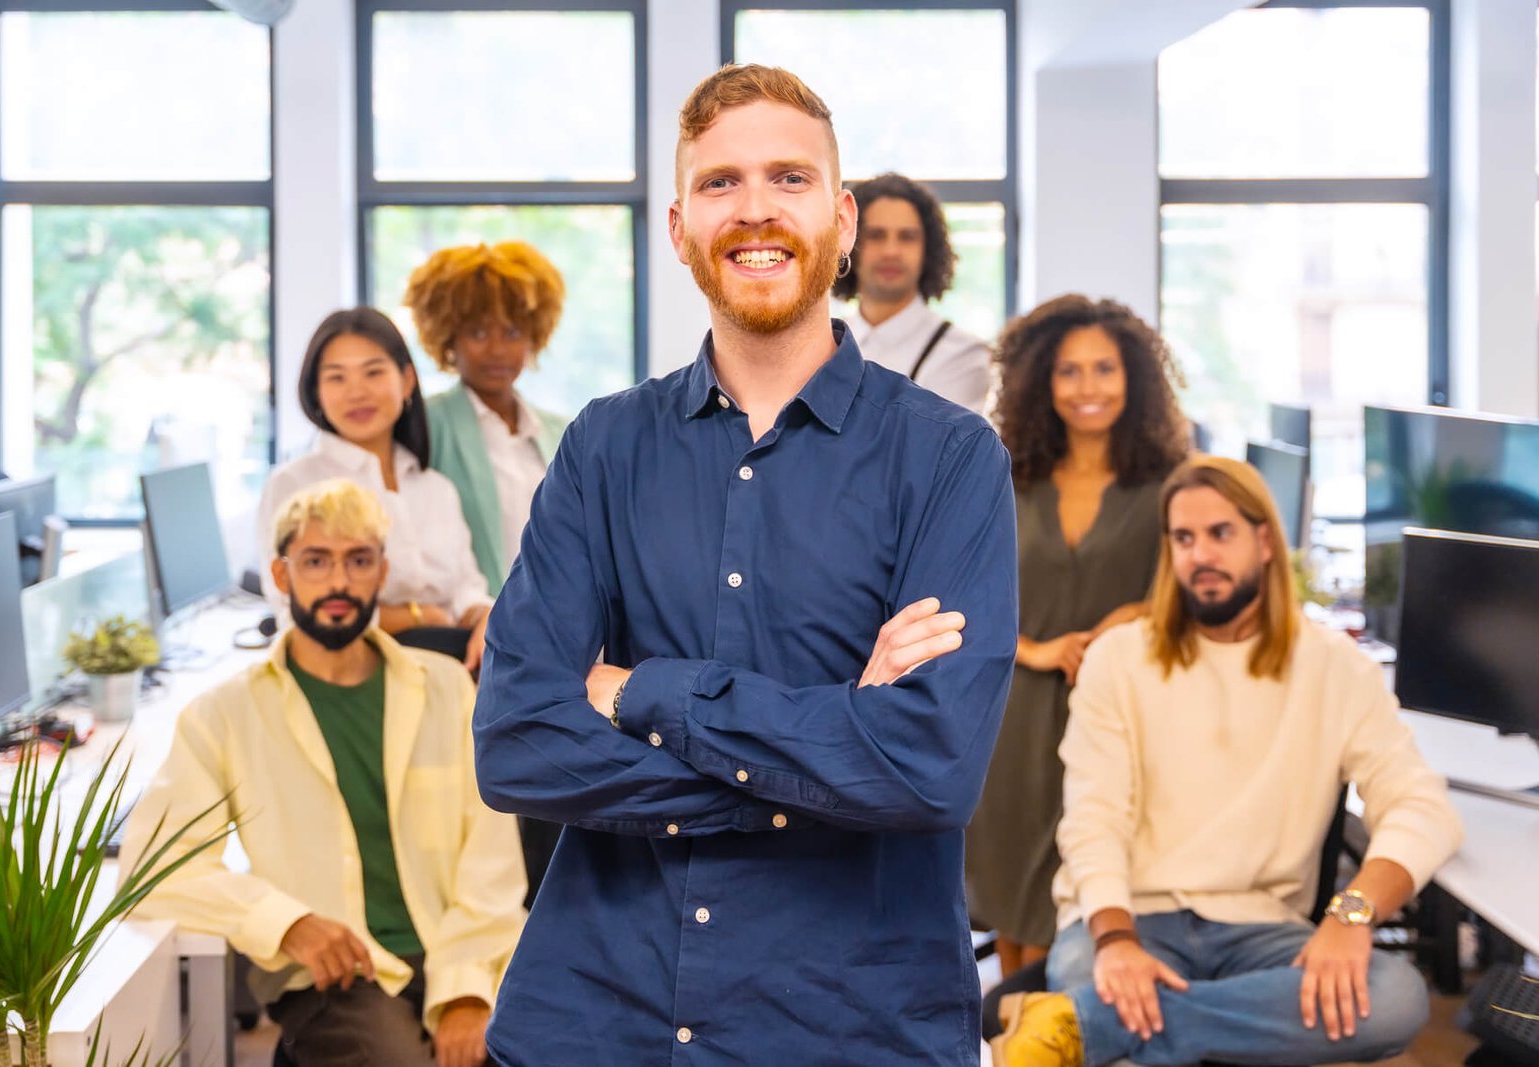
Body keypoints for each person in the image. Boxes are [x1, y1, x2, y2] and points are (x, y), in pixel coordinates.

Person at [471, 64, 1018, 1065]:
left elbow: (931, 767)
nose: (754, 209)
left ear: (842, 220)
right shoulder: (603, 447)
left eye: (789, 179)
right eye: (720, 183)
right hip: (594, 1017)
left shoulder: (949, 456)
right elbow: (516, 741)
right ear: (679, 229)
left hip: (852, 1024)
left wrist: (646, 691)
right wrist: (827, 761)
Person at [992, 455, 1464, 1067]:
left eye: (1221, 534)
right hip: (1130, 914)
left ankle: (1080, 1029)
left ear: (1265, 540)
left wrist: (1352, 915)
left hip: (1261, 927)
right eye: (1183, 538)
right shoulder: (1118, 659)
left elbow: (1420, 806)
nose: (1200, 556)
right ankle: (1169, 1020)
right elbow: (1093, 820)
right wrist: (1115, 938)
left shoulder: (1334, 666)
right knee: (1093, 973)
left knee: (1395, 997)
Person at [119, 478, 527, 1067]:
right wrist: (287, 924)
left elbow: (491, 855)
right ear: (281, 577)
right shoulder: (224, 715)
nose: (339, 582)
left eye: (358, 560)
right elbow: (156, 867)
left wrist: (465, 991)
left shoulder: (445, 689)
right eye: (316, 561)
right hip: (336, 972)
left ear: (381, 571)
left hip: (461, 952)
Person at [968, 294, 1190, 974]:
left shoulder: (1168, 482)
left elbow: (1194, 584)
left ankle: (1075, 1027)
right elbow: (957, 588)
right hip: (1015, 707)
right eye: (1070, 371)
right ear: (1042, 380)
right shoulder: (1003, 474)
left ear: (1135, 379)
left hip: (1120, 709)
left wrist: (1140, 612)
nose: (1088, 387)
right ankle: (1018, 1036)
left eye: (1105, 369)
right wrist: (1035, 647)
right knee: (1011, 889)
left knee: (1087, 880)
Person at [257, 307, 493, 671]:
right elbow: (293, 613)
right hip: (349, 677)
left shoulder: (436, 488)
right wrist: (418, 615)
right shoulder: (294, 486)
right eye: (337, 378)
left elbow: (466, 590)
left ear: (407, 381)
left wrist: (486, 617)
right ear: (316, 392)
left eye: (373, 372)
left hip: (455, 675)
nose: (357, 392)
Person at [401, 242, 571, 597]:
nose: (496, 349)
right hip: (467, 630)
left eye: (512, 333)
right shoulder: (426, 424)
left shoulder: (561, 432)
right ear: (449, 337)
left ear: (533, 337)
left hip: (556, 626)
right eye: (478, 333)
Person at [834, 171, 993, 414]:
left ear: (928, 251)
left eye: (907, 237)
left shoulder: (963, 356)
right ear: (848, 241)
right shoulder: (823, 343)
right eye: (876, 235)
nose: (891, 251)